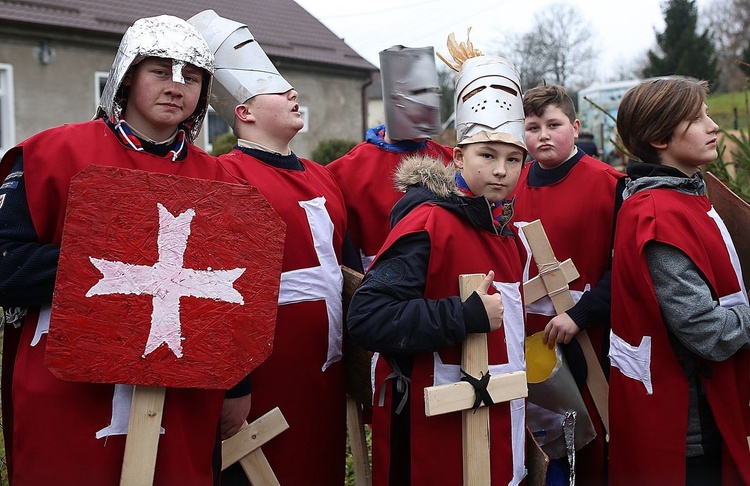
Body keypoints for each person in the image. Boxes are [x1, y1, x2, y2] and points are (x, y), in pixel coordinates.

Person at [0, 15, 251, 484]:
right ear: (128, 74)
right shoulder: (49, 155)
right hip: (68, 383)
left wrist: (238, 383)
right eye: (160, 71)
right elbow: (5, 265)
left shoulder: (222, 181)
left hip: (182, 388)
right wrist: (109, 265)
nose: (177, 87)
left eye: (191, 77)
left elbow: (231, 300)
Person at [347, 34, 528, 485]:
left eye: (513, 159)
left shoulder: (504, 229)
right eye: (487, 155)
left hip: (497, 430)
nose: (501, 171)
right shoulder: (428, 223)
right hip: (432, 434)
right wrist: (462, 315)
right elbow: (368, 317)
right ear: (459, 154)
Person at [187, 10, 348, 485]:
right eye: (279, 90)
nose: (294, 93)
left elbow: (346, 270)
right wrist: (234, 382)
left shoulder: (323, 177)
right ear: (245, 112)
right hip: (265, 376)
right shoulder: (225, 177)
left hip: (327, 370)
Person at [609, 77, 750, 485]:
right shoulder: (657, 215)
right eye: (696, 118)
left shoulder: (686, 196)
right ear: (658, 137)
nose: (713, 126)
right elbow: (705, 330)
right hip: (690, 423)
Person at [510, 84, 625, 484]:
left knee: (590, 439)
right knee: (538, 444)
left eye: (553, 124)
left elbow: (626, 269)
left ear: (575, 127)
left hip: (589, 337)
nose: (543, 134)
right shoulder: (513, 185)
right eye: (533, 126)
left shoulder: (611, 185)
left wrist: (581, 315)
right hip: (528, 337)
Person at [327, 45, 453, 273]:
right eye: (417, 92)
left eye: (433, 92)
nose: (428, 102)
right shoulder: (343, 172)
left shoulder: (452, 160)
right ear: (395, 97)